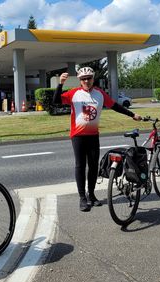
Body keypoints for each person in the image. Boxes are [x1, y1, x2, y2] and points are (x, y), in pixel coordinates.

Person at [53, 67, 142, 212]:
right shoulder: (74, 94)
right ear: (79, 81)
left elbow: (115, 106)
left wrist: (132, 114)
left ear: (93, 79)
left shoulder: (99, 94)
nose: (86, 81)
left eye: (89, 78)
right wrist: (60, 83)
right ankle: (82, 197)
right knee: (80, 166)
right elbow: (56, 101)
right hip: (78, 136)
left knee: (94, 166)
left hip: (93, 135)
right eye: (83, 79)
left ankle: (92, 195)